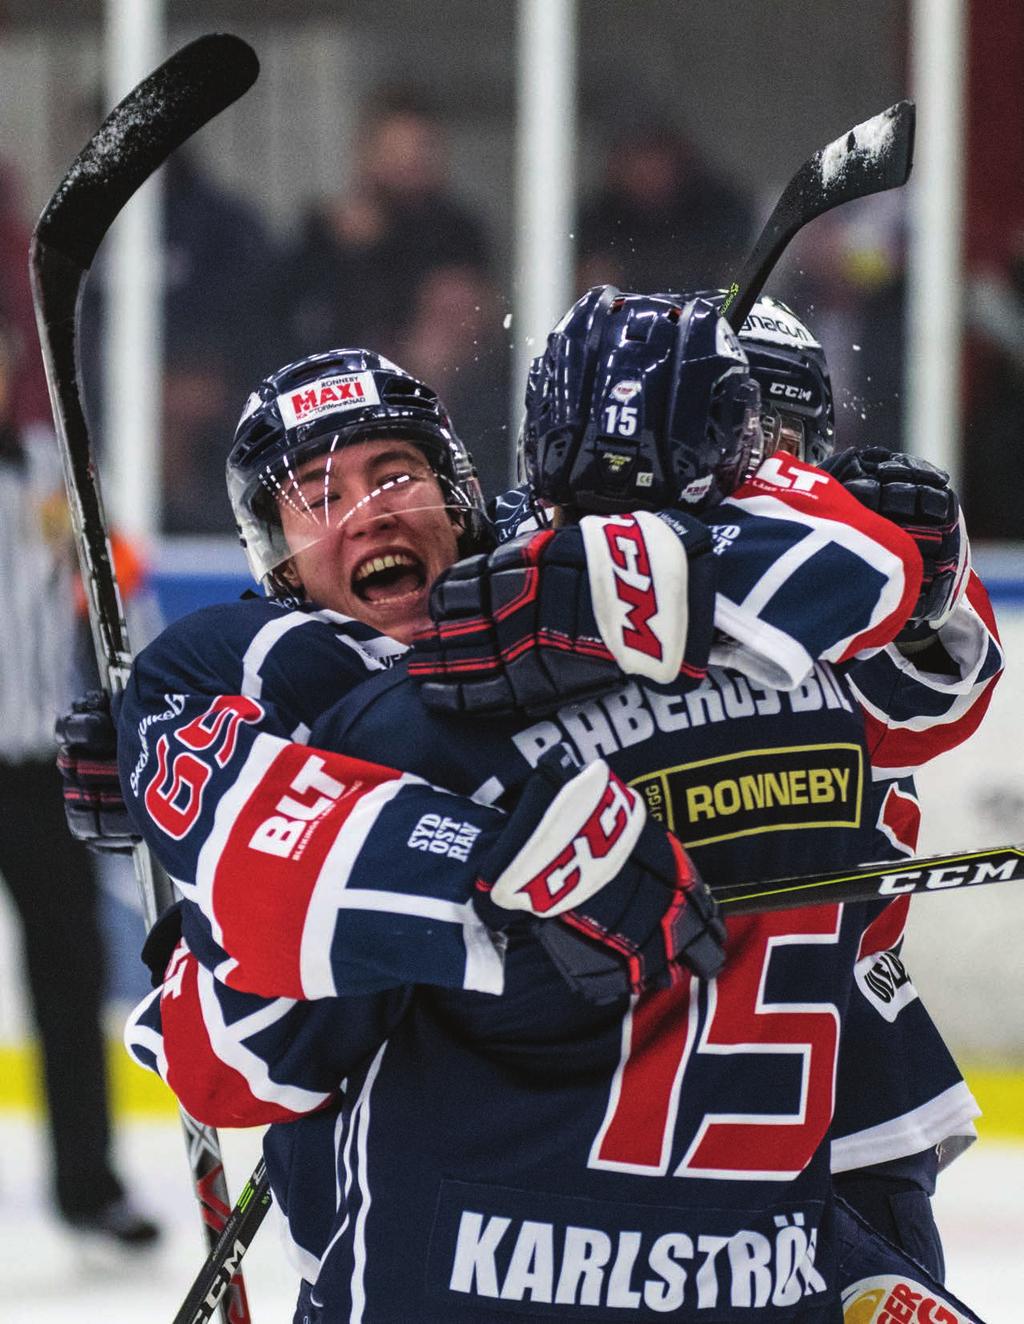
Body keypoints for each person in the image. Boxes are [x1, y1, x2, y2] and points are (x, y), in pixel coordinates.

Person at [106, 299, 992, 1319]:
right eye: (315, 496)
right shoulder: (240, 671)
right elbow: (245, 1002)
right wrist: (499, 863)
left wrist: (589, 592)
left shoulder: (551, 555)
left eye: (393, 473)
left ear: (462, 491)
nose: (366, 513)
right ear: (271, 549)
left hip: (600, 1200)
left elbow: (906, 644)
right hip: (688, 1221)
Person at [0, 311, 158, 1249]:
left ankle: (90, 1187)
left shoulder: (48, 474)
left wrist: (91, 559)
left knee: (70, 975)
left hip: (30, 769)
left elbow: (122, 589)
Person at [277, 89, 491, 366]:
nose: (409, 165)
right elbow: (294, 320)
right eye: (396, 151)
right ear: (366, 154)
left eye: (420, 150)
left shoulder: (457, 234)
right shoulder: (327, 235)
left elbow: (475, 324)